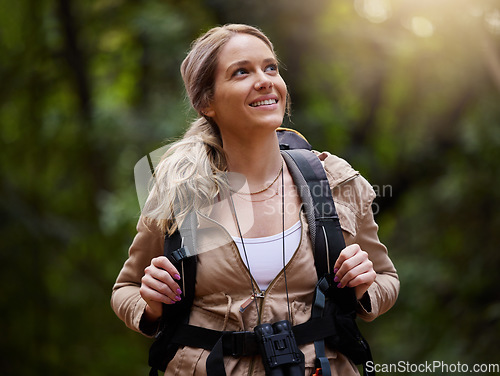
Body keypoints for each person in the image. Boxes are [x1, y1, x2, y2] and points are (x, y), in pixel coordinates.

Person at [111, 24, 399, 375]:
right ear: (206, 102)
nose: (264, 80)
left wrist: (365, 288)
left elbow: (387, 279)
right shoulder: (180, 191)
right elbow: (125, 289)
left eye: (271, 67)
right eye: (241, 72)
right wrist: (151, 305)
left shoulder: (334, 181)